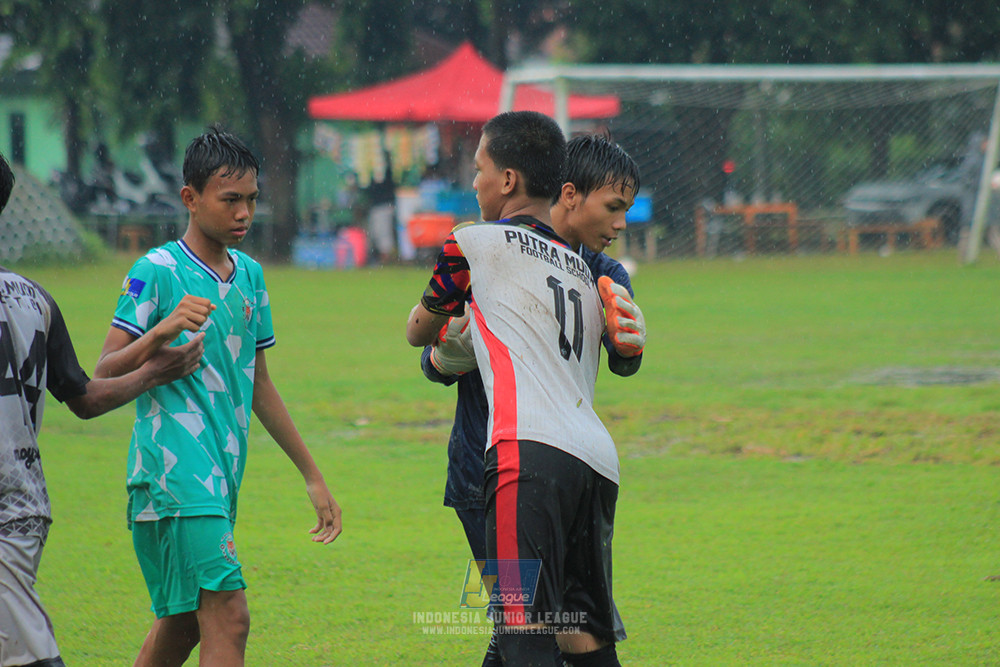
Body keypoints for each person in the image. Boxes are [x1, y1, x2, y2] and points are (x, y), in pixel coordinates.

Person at [93, 126, 342, 667]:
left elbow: (261, 384)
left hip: (222, 475)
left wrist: (312, 474)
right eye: (230, 200)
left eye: (251, 200)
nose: (244, 213)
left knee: (183, 625)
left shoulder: (250, 275)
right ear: (191, 198)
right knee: (229, 614)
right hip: (172, 471)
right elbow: (103, 372)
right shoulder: (154, 272)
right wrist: (159, 334)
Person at [406, 112, 645, 667]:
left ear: (509, 179)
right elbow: (436, 363)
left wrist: (631, 348)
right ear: (567, 192)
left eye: (480, 169)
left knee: (523, 630)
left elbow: (419, 331)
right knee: (568, 633)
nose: (620, 223)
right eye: (613, 207)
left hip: (518, 461)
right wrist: (446, 355)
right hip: (550, 464)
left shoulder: (484, 246)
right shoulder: (582, 270)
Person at [0, 151, 205, 667]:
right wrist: (154, 368)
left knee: (29, 656)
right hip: (20, 507)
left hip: (6, 515)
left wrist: (155, 367)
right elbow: (85, 398)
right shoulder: (35, 297)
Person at [366, 148, 397, 264]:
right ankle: (382, 259)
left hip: (384, 205)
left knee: (383, 233)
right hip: (377, 206)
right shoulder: (373, 172)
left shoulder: (387, 172)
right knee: (377, 233)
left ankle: (386, 260)